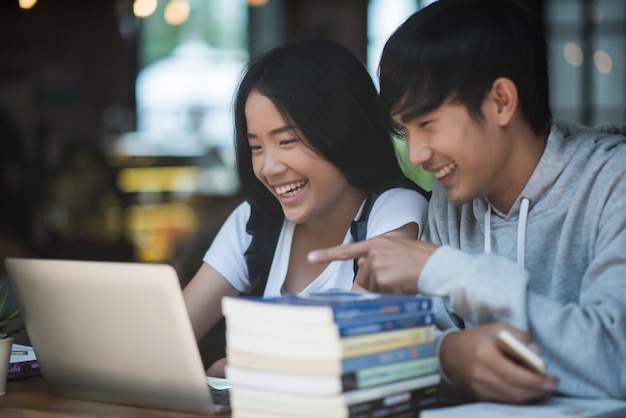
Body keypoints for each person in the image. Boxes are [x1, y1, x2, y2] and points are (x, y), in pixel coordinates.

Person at [308, 0, 626, 404]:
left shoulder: (614, 181)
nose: (418, 154)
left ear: (501, 102)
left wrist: (447, 270)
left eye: (427, 123)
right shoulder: (450, 200)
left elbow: (616, 358)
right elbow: (428, 341)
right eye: (406, 131)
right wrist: (450, 355)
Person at [183, 38, 429, 378]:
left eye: (287, 141)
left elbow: (355, 346)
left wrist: (251, 365)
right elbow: (172, 336)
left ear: (343, 131)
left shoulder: (395, 210)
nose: (269, 167)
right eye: (256, 147)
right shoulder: (253, 221)